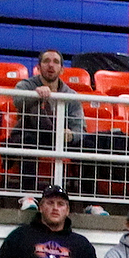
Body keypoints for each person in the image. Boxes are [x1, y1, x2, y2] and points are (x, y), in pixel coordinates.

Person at [8, 50, 84, 195]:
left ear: (62, 69)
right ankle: (28, 196)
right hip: (32, 134)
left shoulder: (71, 95)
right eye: (46, 61)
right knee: (28, 141)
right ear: (38, 67)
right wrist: (35, 94)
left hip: (60, 139)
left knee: (87, 145)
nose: (51, 65)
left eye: (56, 62)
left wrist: (71, 134)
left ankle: (90, 202)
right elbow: (17, 101)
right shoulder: (26, 85)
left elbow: (80, 128)